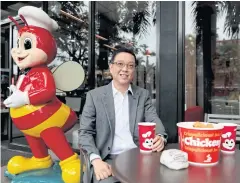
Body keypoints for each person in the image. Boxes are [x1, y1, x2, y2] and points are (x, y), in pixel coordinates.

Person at [79, 47, 167, 183]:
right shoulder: (95, 96)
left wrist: (160, 137)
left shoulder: (142, 95)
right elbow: (85, 132)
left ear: (134, 71)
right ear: (111, 67)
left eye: (130, 66)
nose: (125, 69)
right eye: (120, 64)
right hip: (107, 159)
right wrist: (96, 160)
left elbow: (153, 118)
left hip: (138, 156)